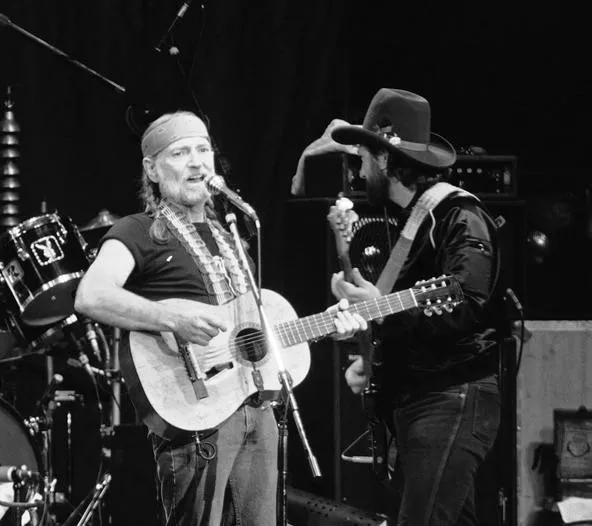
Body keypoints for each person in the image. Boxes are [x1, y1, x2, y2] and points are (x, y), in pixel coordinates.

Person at [74, 110, 367, 526]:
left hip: (256, 406)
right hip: (195, 415)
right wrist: (170, 319)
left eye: (203, 149)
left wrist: (328, 323)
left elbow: (251, 334)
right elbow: (91, 295)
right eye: (180, 153)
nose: (196, 162)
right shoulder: (136, 231)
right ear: (152, 169)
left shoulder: (232, 235)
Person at [320, 88, 502, 526]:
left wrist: (382, 310)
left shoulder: (460, 216)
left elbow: (466, 300)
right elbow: (404, 317)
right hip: (420, 398)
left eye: (364, 159)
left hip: (451, 396)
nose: (360, 172)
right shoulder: (406, 223)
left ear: (385, 159)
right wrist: (369, 344)